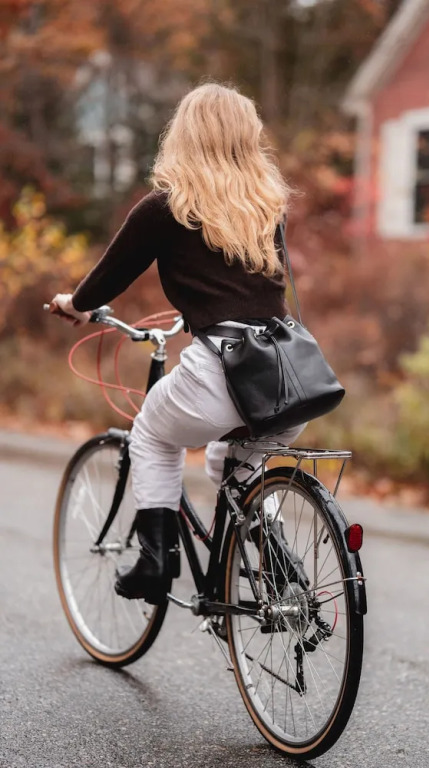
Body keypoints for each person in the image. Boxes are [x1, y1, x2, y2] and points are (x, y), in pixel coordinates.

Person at [50, 82, 304, 605]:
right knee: (230, 463)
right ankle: (280, 565)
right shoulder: (267, 206)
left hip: (221, 374)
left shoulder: (166, 208)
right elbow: (251, 289)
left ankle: (156, 560)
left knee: (150, 435)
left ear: (185, 135)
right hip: (288, 377)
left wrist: (74, 304)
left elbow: (107, 279)